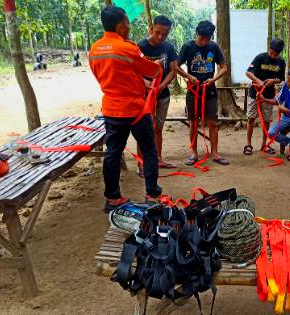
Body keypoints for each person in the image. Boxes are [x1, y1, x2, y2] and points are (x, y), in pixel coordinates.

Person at [89, 6, 164, 211]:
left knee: (113, 152)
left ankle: (112, 198)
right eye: (128, 23)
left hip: (112, 109)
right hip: (135, 109)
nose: (129, 27)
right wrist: (157, 65)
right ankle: (152, 194)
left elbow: (107, 76)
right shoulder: (127, 48)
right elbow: (151, 70)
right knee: (149, 150)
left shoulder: (94, 49)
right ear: (121, 26)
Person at [176, 20, 229, 166]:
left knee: (212, 122)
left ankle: (215, 153)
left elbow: (224, 68)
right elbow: (176, 66)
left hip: (210, 91)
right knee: (193, 122)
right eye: (202, 38)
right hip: (193, 92)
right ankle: (194, 153)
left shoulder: (214, 47)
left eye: (208, 38)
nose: (205, 41)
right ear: (198, 35)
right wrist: (189, 76)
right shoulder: (187, 47)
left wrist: (213, 79)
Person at [137, 15, 178, 170]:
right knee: (143, 129)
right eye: (158, 32)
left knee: (158, 128)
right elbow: (133, 69)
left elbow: (173, 70)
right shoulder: (140, 47)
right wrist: (145, 83)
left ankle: (159, 158)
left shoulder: (168, 48)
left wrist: (161, 86)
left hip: (162, 95)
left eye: (165, 34)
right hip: (144, 96)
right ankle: (141, 163)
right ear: (151, 29)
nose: (161, 37)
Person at [244, 38, 286, 156]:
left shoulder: (281, 62)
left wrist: (273, 81)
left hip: (268, 95)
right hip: (255, 93)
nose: (273, 56)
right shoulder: (260, 58)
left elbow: (280, 79)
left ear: (280, 53)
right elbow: (248, 72)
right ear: (269, 48)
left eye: (276, 54)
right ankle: (248, 144)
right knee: (251, 118)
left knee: (267, 120)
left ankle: (264, 144)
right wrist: (258, 81)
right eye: (272, 53)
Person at [260, 69, 290, 164]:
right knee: (271, 133)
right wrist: (264, 99)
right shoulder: (286, 86)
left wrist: (285, 110)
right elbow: (278, 101)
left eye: (289, 80)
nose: (286, 81)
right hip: (286, 118)